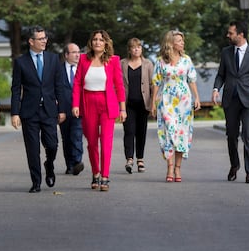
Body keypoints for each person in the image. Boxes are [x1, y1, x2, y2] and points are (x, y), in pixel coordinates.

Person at [11, 26, 66, 193]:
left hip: (49, 110)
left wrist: (62, 109)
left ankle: (49, 164)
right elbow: (15, 88)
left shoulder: (53, 59)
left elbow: (59, 86)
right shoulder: (21, 62)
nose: (44, 41)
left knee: (52, 144)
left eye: (45, 38)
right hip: (29, 112)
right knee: (33, 149)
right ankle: (36, 182)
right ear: (31, 41)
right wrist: (15, 113)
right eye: (40, 39)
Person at [212, 21, 249, 184]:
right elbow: (221, 74)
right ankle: (234, 165)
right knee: (231, 136)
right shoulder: (226, 52)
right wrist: (216, 89)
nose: (227, 35)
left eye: (230, 33)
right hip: (231, 100)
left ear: (240, 34)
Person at [72, 30, 126, 191]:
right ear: (91, 42)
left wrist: (123, 109)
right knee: (92, 142)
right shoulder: (83, 59)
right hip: (88, 103)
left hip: (107, 103)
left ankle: (105, 177)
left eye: (101, 40)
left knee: (106, 141)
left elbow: (119, 86)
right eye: (95, 39)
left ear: (106, 43)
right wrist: (75, 104)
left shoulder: (114, 60)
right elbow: (77, 83)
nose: (97, 42)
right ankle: (96, 173)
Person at [151, 30, 200, 182]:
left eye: (182, 40)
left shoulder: (186, 60)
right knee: (169, 133)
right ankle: (169, 167)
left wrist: (197, 97)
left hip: (184, 101)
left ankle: (177, 169)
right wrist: (153, 102)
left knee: (182, 134)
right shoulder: (160, 61)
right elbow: (156, 82)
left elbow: (192, 80)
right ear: (171, 43)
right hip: (167, 101)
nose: (182, 43)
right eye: (179, 40)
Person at [121, 38, 154, 174]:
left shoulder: (148, 64)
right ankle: (129, 159)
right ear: (129, 49)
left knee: (141, 132)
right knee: (129, 131)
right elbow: (118, 84)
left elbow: (153, 84)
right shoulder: (122, 63)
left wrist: (153, 104)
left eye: (139, 47)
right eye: (134, 47)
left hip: (143, 104)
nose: (136, 49)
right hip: (128, 104)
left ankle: (140, 159)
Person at [59, 43, 84, 175]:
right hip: (63, 110)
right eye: (73, 52)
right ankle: (69, 164)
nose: (77, 55)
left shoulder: (83, 69)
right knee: (66, 138)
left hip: (79, 109)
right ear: (66, 55)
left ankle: (77, 162)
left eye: (78, 52)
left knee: (77, 135)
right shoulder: (58, 70)